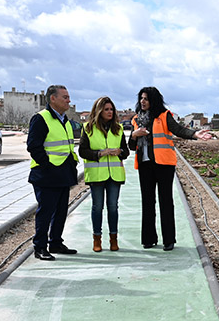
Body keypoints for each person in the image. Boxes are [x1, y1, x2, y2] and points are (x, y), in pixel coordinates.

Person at [128, 87, 211, 251]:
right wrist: (134, 135)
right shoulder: (136, 120)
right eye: (141, 99)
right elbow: (131, 146)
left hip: (164, 165)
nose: (142, 102)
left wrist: (195, 134)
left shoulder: (164, 116)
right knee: (147, 202)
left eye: (145, 99)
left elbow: (179, 130)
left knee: (166, 201)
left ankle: (168, 240)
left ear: (153, 100)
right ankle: (148, 239)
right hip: (145, 165)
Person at [27, 85, 79, 260]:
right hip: (46, 174)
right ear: (53, 99)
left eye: (68, 97)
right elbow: (34, 146)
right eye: (65, 97)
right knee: (46, 212)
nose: (68, 100)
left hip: (63, 173)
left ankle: (55, 242)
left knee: (61, 211)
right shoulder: (41, 119)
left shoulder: (65, 120)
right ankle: (40, 247)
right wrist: (47, 166)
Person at [78, 96, 129, 252]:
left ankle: (114, 239)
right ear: (99, 111)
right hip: (96, 175)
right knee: (97, 207)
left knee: (113, 207)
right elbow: (82, 151)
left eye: (111, 109)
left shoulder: (118, 129)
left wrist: (120, 152)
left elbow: (125, 151)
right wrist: (99, 153)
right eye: (106, 109)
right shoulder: (88, 128)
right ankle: (97, 239)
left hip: (114, 175)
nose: (109, 112)